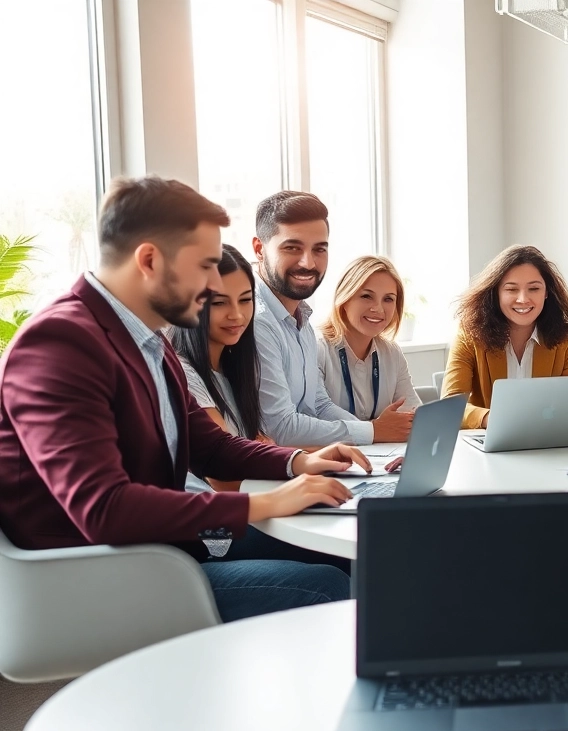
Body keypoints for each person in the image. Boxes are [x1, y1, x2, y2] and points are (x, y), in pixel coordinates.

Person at [0, 176, 371, 622]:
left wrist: (297, 463)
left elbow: (210, 446)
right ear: (150, 260)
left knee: (351, 552)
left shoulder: (148, 339)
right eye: (205, 265)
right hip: (94, 576)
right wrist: (266, 502)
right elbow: (104, 509)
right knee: (325, 585)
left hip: (156, 548)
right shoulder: (59, 344)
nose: (214, 282)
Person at [251, 191, 413, 446]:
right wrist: (373, 432)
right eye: (292, 247)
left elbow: (318, 403)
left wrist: (373, 434)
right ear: (259, 249)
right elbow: (280, 427)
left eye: (319, 249)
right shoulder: (256, 320)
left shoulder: (300, 318)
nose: (308, 262)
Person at [441, 245, 568, 429]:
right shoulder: (470, 333)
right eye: (511, 289)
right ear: (496, 292)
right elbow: (449, 406)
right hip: (488, 446)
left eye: (534, 288)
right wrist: (491, 419)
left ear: (547, 292)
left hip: (544, 444)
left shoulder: (563, 337)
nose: (523, 299)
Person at [169, 244, 267, 492]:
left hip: (252, 506)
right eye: (219, 303)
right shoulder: (184, 373)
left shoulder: (234, 367)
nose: (237, 315)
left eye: (245, 300)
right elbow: (225, 479)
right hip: (219, 521)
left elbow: (257, 450)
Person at [317, 256, 421, 425]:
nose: (378, 309)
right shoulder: (316, 349)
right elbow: (315, 420)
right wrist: (376, 429)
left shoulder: (392, 353)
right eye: (366, 296)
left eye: (388, 299)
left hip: (385, 451)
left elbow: (413, 415)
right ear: (344, 299)